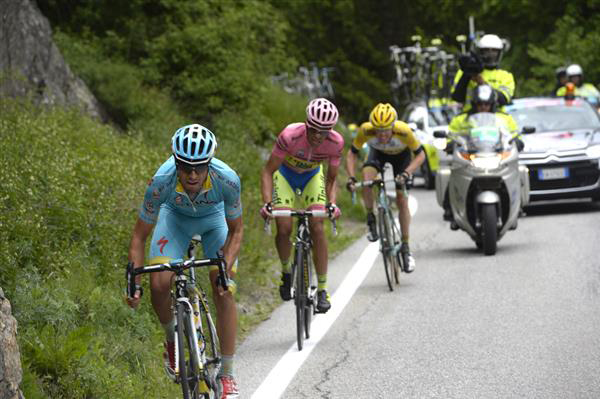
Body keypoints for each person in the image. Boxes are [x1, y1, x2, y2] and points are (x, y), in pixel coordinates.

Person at [126, 124, 243, 398]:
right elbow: (138, 237)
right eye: (185, 167)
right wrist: (134, 283)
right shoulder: (160, 182)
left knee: (223, 290)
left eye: (199, 167)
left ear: (209, 163)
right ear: (175, 162)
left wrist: (225, 267)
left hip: (214, 221)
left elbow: (236, 230)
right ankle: (172, 341)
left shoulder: (227, 179)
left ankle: (227, 374)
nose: (192, 174)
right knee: (159, 283)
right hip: (174, 219)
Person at [260, 98, 344, 313]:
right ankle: (287, 271)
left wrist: (331, 204)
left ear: (330, 131)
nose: (317, 136)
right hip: (285, 176)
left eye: (323, 132)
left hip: (312, 178)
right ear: (307, 124)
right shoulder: (289, 135)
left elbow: (332, 179)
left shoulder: (335, 143)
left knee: (317, 226)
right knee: (284, 228)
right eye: (314, 130)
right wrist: (268, 203)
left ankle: (323, 289)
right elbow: (268, 171)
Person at [345, 103, 425, 273]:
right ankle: (371, 219)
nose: (381, 135)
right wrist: (351, 178)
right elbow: (352, 153)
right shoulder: (366, 130)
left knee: (402, 200)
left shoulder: (404, 131)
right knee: (367, 181)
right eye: (378, 130)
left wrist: (406, 173)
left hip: (401, 158)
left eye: (386, 131)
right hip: (378, 155)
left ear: (393, 127)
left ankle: (405, 247)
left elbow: (420, 155)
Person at [444, 85, 523, 221]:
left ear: (492, 104)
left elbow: (515, 135)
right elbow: (450, 136)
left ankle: (518, 203)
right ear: (474, 104)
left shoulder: (504, 118)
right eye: (480, 104)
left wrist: (518, 140)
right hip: (471, 156)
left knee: (517, 171)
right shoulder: (461, 119)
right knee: (453, 175)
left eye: (486, 104)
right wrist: (449, 143)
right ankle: (449, 208)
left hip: (496, 154)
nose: (483, 107)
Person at [451, 34, 515, 112]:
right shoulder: (464, 72)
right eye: (486, 50)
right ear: (479, 51)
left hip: (497, 119)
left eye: (494, 51)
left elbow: (504, 100)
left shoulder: (505, 76)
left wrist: (481, 82)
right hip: (469, 118)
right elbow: (457, 97)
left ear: (500, 53)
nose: (490, 54)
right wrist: (466, 75)